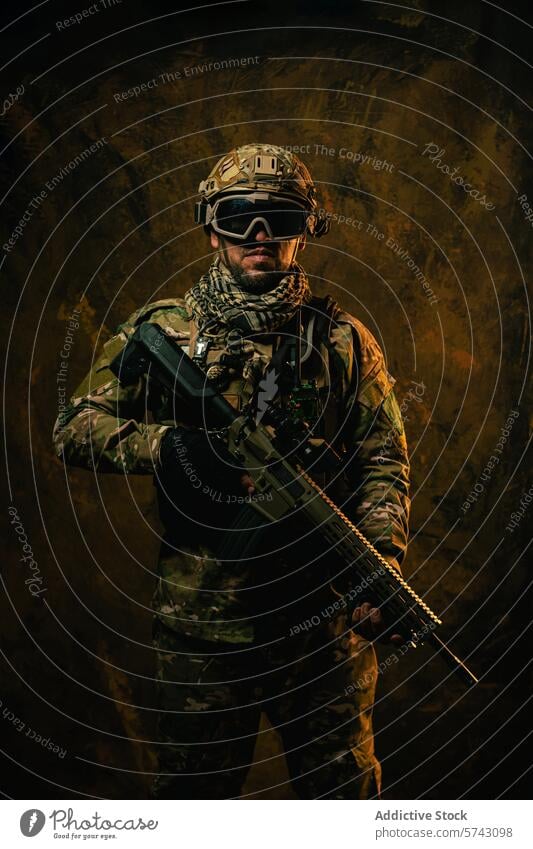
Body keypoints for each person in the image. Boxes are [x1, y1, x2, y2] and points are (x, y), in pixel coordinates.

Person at [53, 143, 410, 799]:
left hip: (322, 631)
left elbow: (382, 455)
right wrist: (165, 448)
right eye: (239, 214)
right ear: (210, 223)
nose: (257, 236)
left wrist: (380, 554)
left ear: (305, 229)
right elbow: (75, 425)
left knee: (343, 800)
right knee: (194, 804)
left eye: (276, 217)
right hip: (204, 630)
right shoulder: (162, 331)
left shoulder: (342, 341)